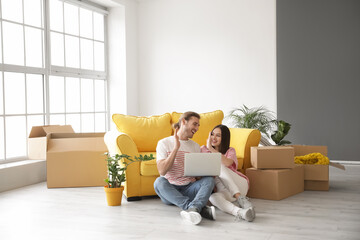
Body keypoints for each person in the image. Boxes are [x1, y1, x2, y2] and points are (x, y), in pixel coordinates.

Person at [154, 111, 216, 225]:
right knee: (159, 182)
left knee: (209, 180)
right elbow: (162, 170)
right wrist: (175, 148)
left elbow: (197, 176)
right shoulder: (164, 143)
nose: (197, 128)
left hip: (189, 188)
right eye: (195, 124)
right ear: (184, 122)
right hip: (170, 191)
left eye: (198, 125)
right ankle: (195, 208)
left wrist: (207, 171)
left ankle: (193, 209)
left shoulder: (195, 146)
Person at [200, 124, 256, 222]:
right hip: (224, 190)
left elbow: (227, 162)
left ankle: (240, 198)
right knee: (213, 197)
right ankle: (240, 213)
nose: (214, 137)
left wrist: (211, 148)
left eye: (218, 135)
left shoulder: (230, 150)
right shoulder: (202, 149)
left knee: (218, 165)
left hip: (239, 186)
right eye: (212, 134)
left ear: (224, 138)